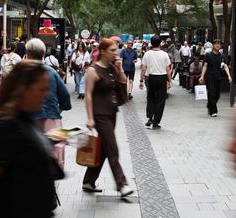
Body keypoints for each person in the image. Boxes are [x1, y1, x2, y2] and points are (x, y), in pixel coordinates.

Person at [0, 60, 64, 218]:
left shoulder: (27, 119)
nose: (46, 94)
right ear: (23, 90)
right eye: (42, 89)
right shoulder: (3, 127)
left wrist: (51, 140)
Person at [82, 39, 134, 196]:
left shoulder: (112, 67)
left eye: (116, 50)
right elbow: (88, 95)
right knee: (112, 148)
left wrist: (119, 68)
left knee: (104, 148)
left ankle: (88, 181)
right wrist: (90, 117)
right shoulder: (93, 70)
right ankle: (121, 184)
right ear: (103, 51)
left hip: (112, 112)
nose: (115, 53)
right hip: (99, 114)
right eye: (112, 50)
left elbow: (123, 82)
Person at [26, 39, 71, 169]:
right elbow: (65, 97)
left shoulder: (23, 72)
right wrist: (58, 110)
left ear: (28, 54)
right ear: (43, 54)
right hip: (52, 118)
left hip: (30, 120)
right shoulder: (51, 72)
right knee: (55, 154)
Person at [139, 35, 172, 129]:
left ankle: (150, 117)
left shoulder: (147, 54)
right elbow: (168, 69)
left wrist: (141, 80)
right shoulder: (164, 54)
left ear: (151, 43)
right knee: (160, 100)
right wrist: (169, 81)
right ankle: (156, 121)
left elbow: (143, 69)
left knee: (151, 98)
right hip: (162, 78)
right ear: (160, 43)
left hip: (151, 78)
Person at [199, 39, 232, 117]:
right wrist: (202, 76)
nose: (218, 45)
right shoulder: (208, 55)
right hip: (209, 77)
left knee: (217, 95)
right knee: (212, 93)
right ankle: (214, 111)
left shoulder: (222, 56)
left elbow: (225, 66)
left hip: (218, 77)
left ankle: (209, 105)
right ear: (213, 45)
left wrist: (229, 76)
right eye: (216, 44)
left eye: (219, 44)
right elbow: (205, 66)